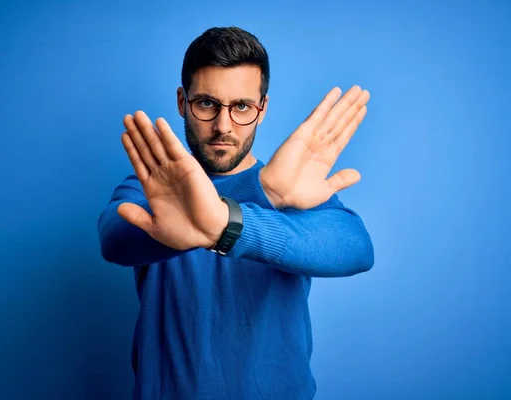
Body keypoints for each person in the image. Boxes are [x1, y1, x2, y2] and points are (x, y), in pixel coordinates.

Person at [98, 26, 374, 400]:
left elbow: (355, 248)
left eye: (241, 106)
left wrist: (245, 210)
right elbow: (115, 240)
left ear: (262, 109)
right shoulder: (150, 187)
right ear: (182, 102)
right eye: (207, 103)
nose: (223, 125)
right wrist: (261, 194)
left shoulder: (294, 188)